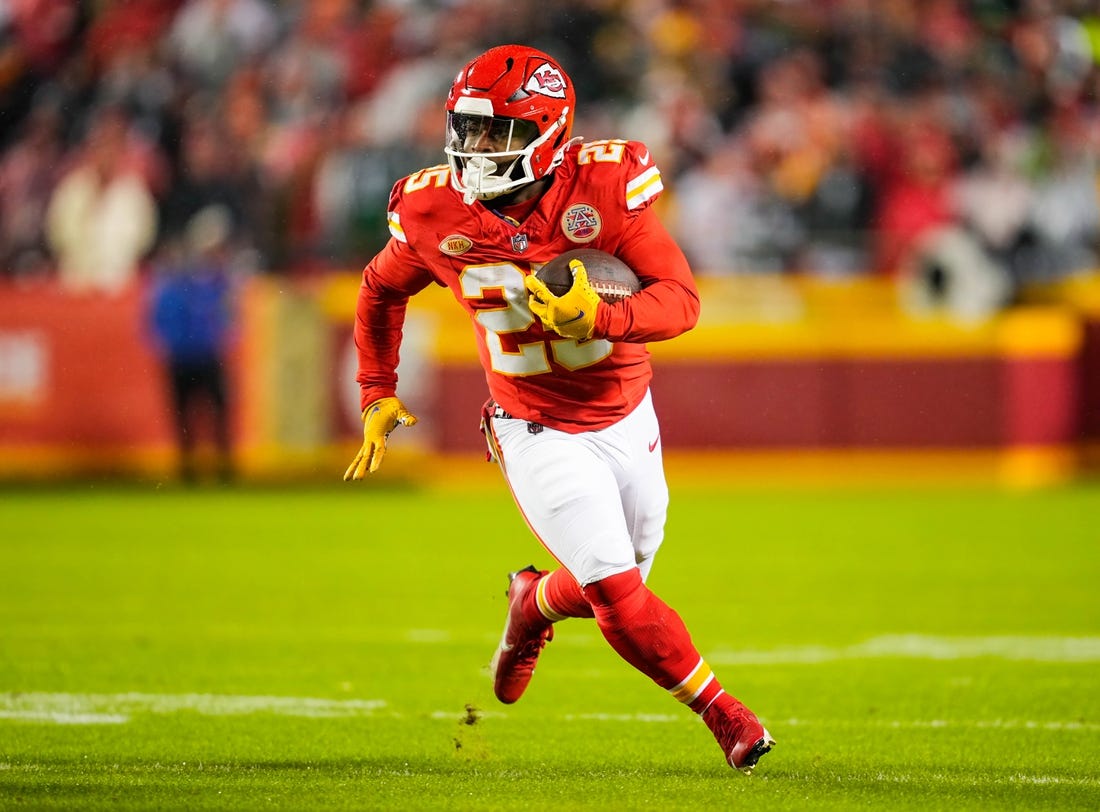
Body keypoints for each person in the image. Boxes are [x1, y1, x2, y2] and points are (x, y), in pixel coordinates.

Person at [343, 45, 775, 774]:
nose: (474, 148)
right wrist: (377, 391)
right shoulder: (430, 209)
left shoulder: (603, 190)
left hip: (625, 412)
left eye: (495, 132)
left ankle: (533, 603)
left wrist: (601, 320)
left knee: (628, 573)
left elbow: (682, 301)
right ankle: (725, 715)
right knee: (615, 586)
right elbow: (380, 288)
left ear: (548, 131)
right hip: (530, 423)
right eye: (467, 128)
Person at [148, 205, 237, 484]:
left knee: (205, 416)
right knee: (192, 417)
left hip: (201, 356)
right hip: (191, 357)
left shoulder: (196, 280)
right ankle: (197, 471)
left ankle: (210, 471)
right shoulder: (189, 281)